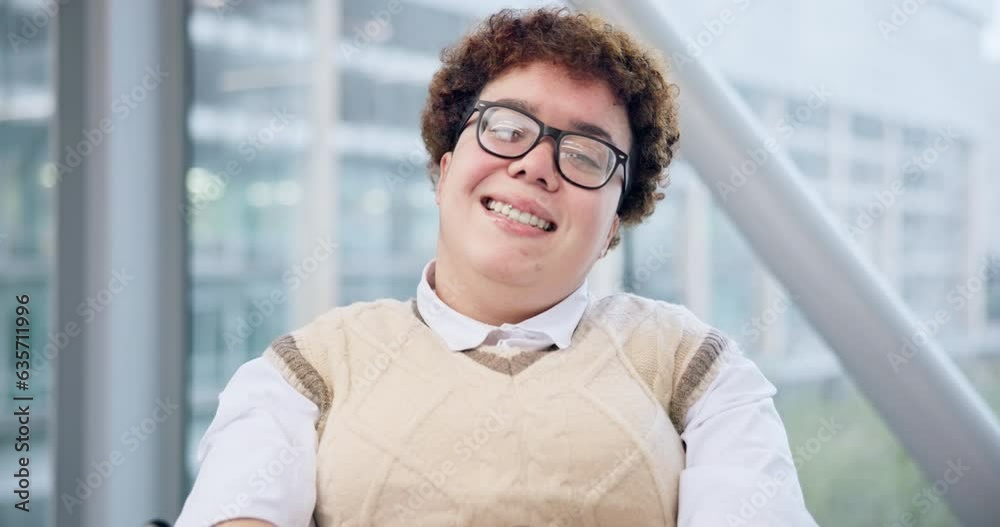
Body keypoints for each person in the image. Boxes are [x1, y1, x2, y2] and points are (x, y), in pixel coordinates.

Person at [177, 7, 817, 527]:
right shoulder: (309, 370)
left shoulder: (696, 370)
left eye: (587, 155)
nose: (536, 164)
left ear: (612, 227)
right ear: (446, 168)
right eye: (509, 128)